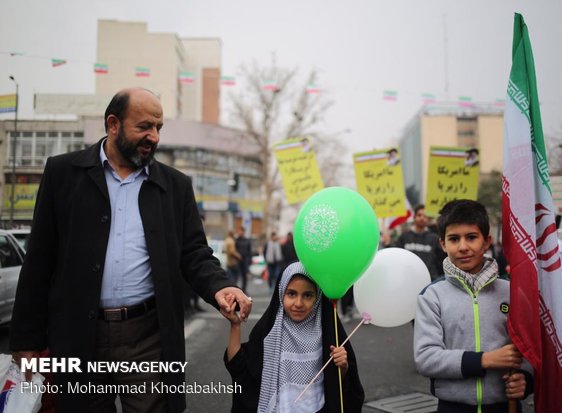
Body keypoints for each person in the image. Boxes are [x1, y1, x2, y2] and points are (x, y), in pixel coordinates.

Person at [9, 88, 253, 413]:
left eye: (158, 128)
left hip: (149, 338)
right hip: (80, 337)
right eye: (144, 127)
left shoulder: (175, 186)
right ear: (113, 124)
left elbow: (194, 252)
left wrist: (221, 287)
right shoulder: (63, 175)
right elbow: (39, 260)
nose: (153, 136)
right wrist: (27, 339)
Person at [413, 200, 533, 413]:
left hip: (504, 406)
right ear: (442, 244)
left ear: (486, 241)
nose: (463, 247)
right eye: (453, 239)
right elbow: (425, 358)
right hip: (452, 407)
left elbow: (529, 348)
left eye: (471, 237)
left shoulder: (511, 292)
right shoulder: (432, 296)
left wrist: (525, 379)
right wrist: (484, 360)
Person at [220, 261, 365, 412]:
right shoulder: (270, 332)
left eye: (308, 295)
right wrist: (235, 326)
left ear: (318, 298)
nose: (298, 303)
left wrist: (343, 367)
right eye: (291, 294)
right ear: (281, 293)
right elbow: (239, 367)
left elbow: (338, 390)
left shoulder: (328, 333)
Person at [395, 205, 445, 280]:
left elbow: (441, 259)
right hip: (406, 279)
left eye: (425, 216)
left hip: (429, 280)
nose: (422, 218)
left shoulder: (435, 238)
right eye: (419, 215)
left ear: (428, 219)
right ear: (414, 217)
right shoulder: (404, 237)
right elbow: (396, 256)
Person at [235, 226, 253, 293]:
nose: (240, 232)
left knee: (244, 277)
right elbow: (234, 250)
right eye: (239, 231)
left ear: (244, 232)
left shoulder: (247, 240)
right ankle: (235, 290)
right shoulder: (236, 240)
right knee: (236, 277)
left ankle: (244, 290)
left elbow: (249, 251)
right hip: (237, 261)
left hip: (245, 261)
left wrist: (250, 261)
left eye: (242, 231)